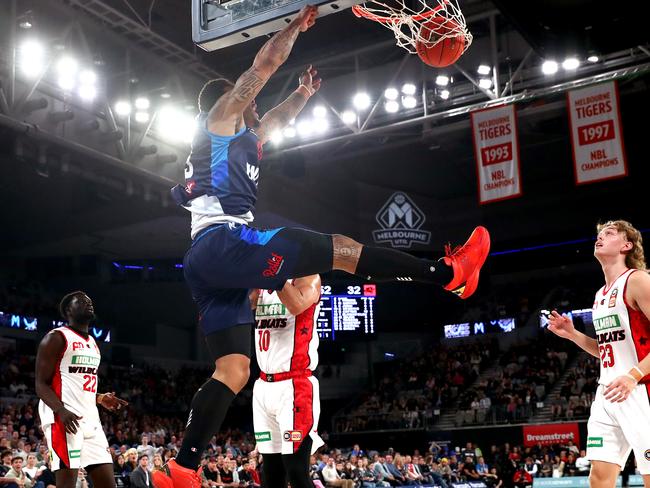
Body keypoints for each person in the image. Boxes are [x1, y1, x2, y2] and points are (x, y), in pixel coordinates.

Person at [154, 4, 490, 488]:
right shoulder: (221, 118)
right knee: (340, 249)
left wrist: (302, 96)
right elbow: (261, 67)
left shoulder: (244, 138)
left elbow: (274, 118)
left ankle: (182, 469)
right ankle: (447, 274)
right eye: (245, 101)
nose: (253, 108)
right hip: (226, 239)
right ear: (228, 101)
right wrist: (294, 25)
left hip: (203, 260)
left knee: (232, 369)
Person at [547, 220, 650, 488]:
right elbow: (607, 349)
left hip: (641, 390)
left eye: (610, 233)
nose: (600, 237)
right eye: (600, 234)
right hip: (608, 393)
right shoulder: (600, 295)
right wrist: (573, 335)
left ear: (626, 246)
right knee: (600, 477)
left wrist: (634, 374)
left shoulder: (638, 280)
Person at [35, 291, 128, 488]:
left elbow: (76, 385)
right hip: (64, 418)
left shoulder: (93, 342)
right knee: (67, 484)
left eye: (90, 301)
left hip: (90, 418)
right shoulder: (56, 337)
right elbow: (40, 384)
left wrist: (100, 397)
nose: (89, 303)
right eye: (83, 301)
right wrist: (60, 410)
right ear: (68, 310)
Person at [249, 275, 323, 488]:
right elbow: (243, 309)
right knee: (271, 471)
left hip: (294, 385)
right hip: (263, 386)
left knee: (296, 470)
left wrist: (272, 272)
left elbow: (296, 305)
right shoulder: (261, 280)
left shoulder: (309, 277)